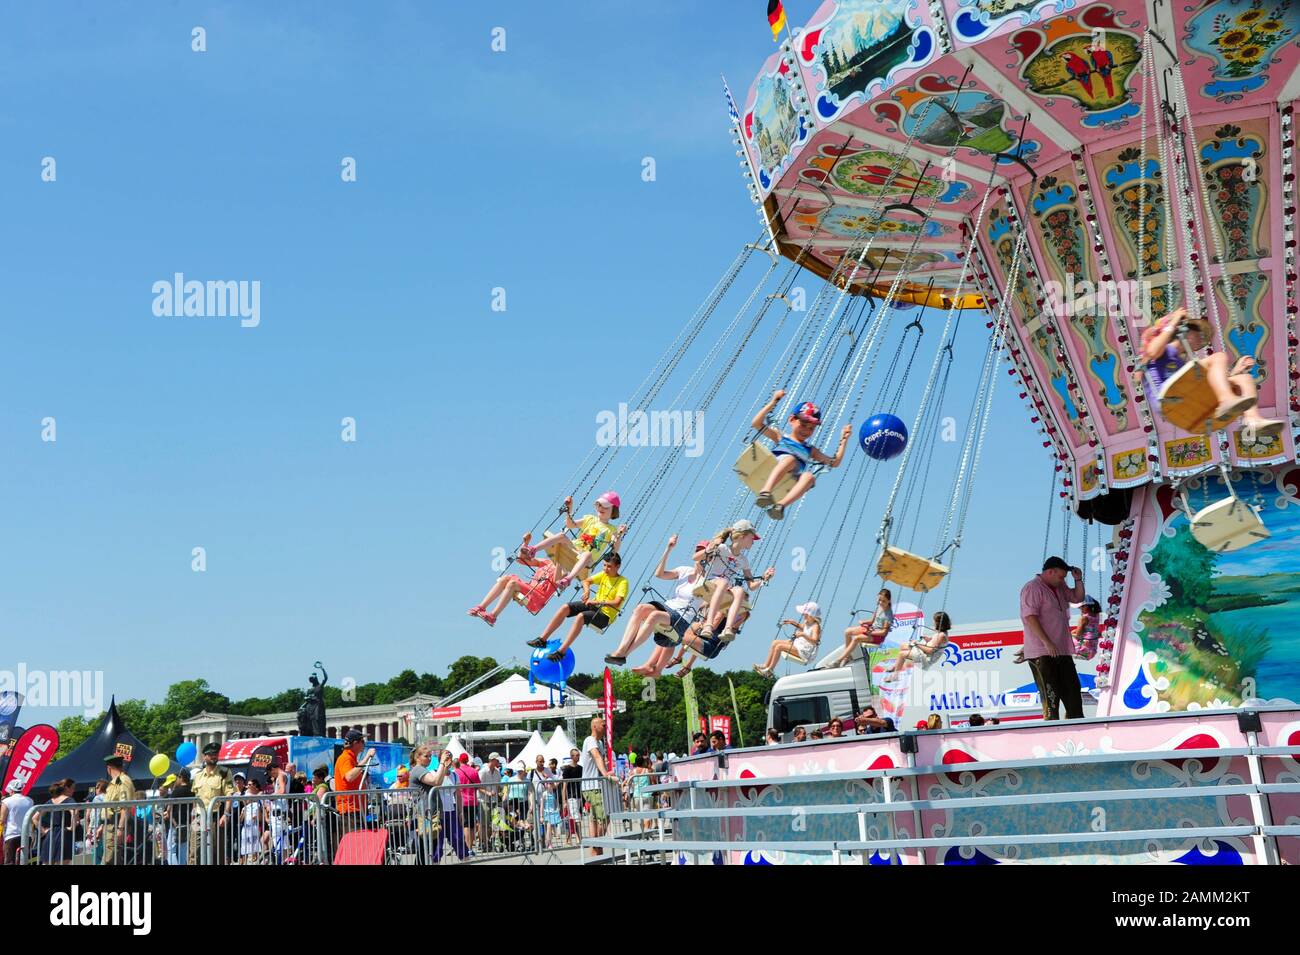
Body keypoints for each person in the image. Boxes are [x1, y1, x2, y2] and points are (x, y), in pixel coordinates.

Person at [1141, 307, 1282, 439]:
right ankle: (1226, 400)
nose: (1203, 342)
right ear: (1186, 331)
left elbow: (1209, 384)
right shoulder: (1164, 350)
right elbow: (1152, 352)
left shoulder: (1181, 365)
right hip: (1167, 398)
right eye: (1201, 336)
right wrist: (1174, 321)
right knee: (1219, 357)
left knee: (1244, 379)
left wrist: (1236, 371)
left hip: (1184, 399)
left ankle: (1253, 419)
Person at [604, 536, 708, 666]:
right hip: (669, 608)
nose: (699, 555)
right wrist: (668, 549)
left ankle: (624, 654)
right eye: (697, 551)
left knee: (654, 615)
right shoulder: (685, 570)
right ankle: (621, 649)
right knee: (640, 608)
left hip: (682, 619)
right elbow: (659, 574)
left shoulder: (709, 581)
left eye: (703, 552)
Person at [750, 389, 852, 520]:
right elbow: (756, 423)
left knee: (809, 477)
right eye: (803, 424)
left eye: (811, 428)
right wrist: (774, 401)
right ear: (792, 419)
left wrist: (844, 440)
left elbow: (834, 462)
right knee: (790, 460)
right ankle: (765, 491)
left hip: (790, 480)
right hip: (774, 469)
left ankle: (780, 506)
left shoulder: (810, 450)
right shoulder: (780, 436)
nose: (806, 430)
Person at [529, 552, 629, 661]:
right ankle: (542, 639)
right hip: (593, 606)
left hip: (605, 616)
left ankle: (561, 652)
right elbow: (586, 581)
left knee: (581, 617)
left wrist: (597, 602)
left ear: (618, 566)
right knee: (565, 607)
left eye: (609, 566)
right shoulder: (604, 574)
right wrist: (587, 592)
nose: (605, 569)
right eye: (604, 565)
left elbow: (617, 602)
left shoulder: (623, 582)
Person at [1020, 556, 1087, 720]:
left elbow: (1077, 598)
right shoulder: (1032, 588)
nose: (1063, 580)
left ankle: (1077, 729)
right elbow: (1030, 617)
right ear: (1050, 572)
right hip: (1042, 653)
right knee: (1051, 699)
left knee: (1073, 695)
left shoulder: (1060, 587)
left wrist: (1078, 580)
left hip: (1062, 650)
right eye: (1061, 576)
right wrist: (1047, 642)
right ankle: (1052, 732)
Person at [520, 491, 627, 590]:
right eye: (599, 505)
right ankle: (533, 549)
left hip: (587, 560)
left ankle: (568, 579)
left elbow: (615, 549)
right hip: (575, 548)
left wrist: (619, 535)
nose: (601, 508)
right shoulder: (589, 519)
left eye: (606, 507)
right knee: (562, 535)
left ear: (613, 510)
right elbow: (570, 524)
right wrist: (569, 510)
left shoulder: (612, 530)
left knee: (587, 554)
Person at [696, 520, 773, 641]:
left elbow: (751, 586)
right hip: (711, 582)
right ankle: (708, 624)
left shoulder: (744, 560)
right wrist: (711, 547)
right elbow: (695, 558)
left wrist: (764, 579)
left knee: (740, 591)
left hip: (725, 588)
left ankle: (728, 628)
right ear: (742, 536)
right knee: (723, 582)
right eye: (752, 538)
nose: (753, 542)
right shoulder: (721, 548)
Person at [469, 532, 560, 626]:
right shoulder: (546, 562)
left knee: (512, 583)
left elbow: (557, 581)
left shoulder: (564, 569)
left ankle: (493, 615)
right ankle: (481, 607)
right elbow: (520, 560)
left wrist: (559, 561)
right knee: (506, 578)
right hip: (530, 590)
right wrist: (525, 544)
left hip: (538, 598)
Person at [332, 730, 375, 860]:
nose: (364, 744)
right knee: (354, 849)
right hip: (350, 811)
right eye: (362, 741)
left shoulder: (351, 758)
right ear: (355, 743)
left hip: (354, 810)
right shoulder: (346, 758)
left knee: (357, 848)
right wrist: (366, 757)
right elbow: (349, 776)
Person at [580, 717, 619, 858]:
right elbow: (596, 757)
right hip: (592, 786)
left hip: (598, 786)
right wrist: (606, 775)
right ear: (595, 726)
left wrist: (607, 773)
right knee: (603, 817)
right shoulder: (589, 740)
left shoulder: (600, 743)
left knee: (599, 818)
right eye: (603, 725)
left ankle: (596, 851)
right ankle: (596, 847)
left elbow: (601, 760)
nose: (606, 727)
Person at [754, 600, 822, 676]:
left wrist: (803, 635)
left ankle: (770, 670)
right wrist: (793, 623)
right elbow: (804, 628)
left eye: (805, 613)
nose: (803, 614)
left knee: (779, 647)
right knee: (775, 642)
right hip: (800, 645)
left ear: (810, 614)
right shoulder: (807, 622)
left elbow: (815, 641)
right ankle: (766, 665)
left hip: (806, 652)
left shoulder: (816, 626)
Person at [885, 611, 952, 681]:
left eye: (934, 621)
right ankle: (896, 666)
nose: (933, 623)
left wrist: (917, 644)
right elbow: (935, 644)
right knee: (903, 646)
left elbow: (930, 651)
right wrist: (928, 639)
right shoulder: (942, 633)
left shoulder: (941, 635)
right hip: (925, 653)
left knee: (902, 654)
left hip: (927, 658)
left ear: (939, 623)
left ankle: (895, 676)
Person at [840, 589, 894, 664]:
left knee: (856, 638)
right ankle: (848, 656)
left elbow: (883, 632)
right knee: (847, 631)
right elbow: (872, 621)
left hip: (878, 636)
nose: (880, 603)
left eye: (883, 601)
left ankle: (840, 659)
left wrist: (870, 632)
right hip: (870, 630)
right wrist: (863, 622)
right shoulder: (878, 607)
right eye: (879, 600)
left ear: (889, 601)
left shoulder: (888, 615)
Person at [101, 754, 136, 865]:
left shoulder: (123, 781)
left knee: (109, 860)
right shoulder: (114, 782)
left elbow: (125, 807)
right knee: (113, 859)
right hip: (110, 825)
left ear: (109, 768)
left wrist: (120, 829)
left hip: (115, 826)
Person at [36, 778, 78, 865]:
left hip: (50, 834)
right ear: (66, 788)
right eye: (73, 788)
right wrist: (72, 827)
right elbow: (75, 811)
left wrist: (43, 831)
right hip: (64, 834)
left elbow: (34, 817)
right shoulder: (69, 800)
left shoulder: (51, 801)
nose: (74, 791)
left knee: (47, 862)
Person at [1, 779, 33, 865]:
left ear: (11, 790)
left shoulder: (6, 801)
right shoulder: (29, 800)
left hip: (11, 835)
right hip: (26, 835)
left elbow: (2, 820)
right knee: (24, 861)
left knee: (10, 861)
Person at [164, 769, 193, 866]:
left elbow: (169, 809)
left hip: (175, 823)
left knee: (171, 849)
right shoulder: (191, 791)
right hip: (187, 823)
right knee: (183, 849)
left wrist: (173, 822)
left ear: (181, 778)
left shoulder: (176, 791)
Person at [560, 751, 583, 847]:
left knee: (574, 817)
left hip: (579, 796)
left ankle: (569, 839)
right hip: (571, 796)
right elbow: (564, 786)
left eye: (578, 755)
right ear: (571, 756)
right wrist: (564, 800)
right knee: (575, 818)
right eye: (576, 755)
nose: (578, 757)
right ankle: (579, 838)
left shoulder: (581, 768)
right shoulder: (567, 769)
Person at [1073, 595, 1102, 660]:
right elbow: (1089, 631)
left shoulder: (1084, 618)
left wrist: (1072, 632)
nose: (1079, 609)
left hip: (1082, 650)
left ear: (1085, 606)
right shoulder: (1096, 616)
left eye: (1080, 607)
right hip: (1092, 652)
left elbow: (1078, 634)